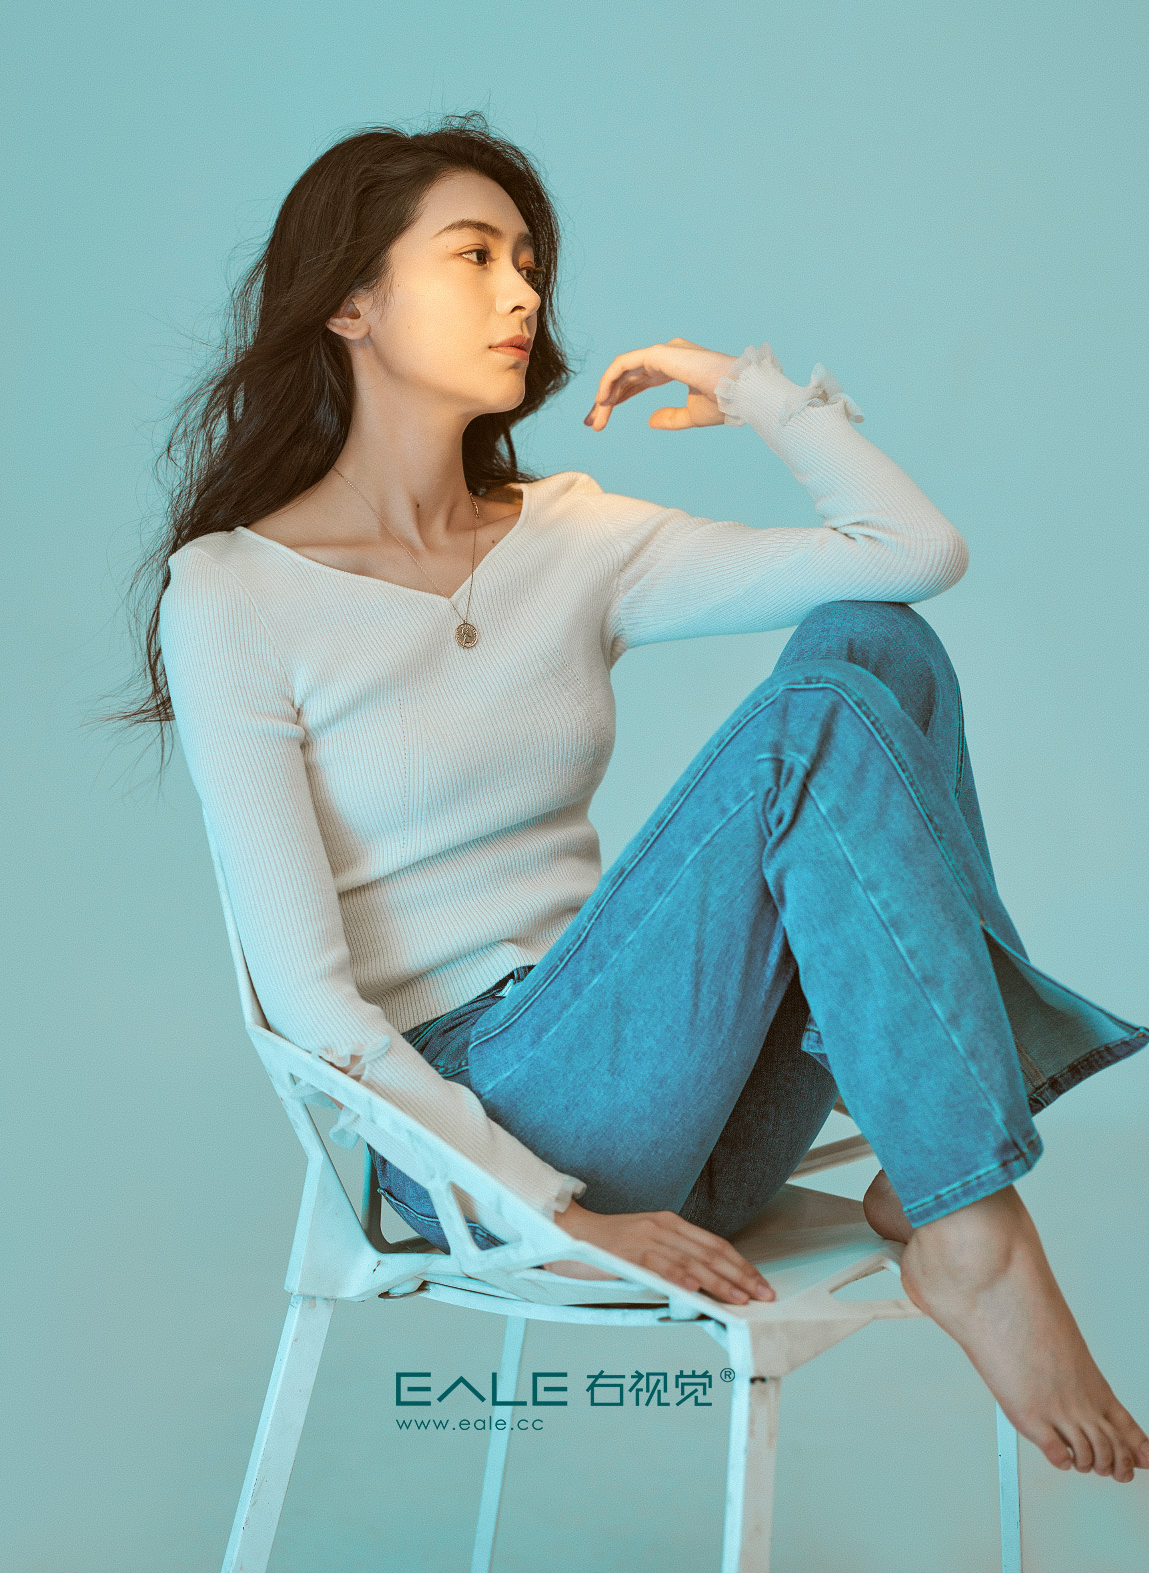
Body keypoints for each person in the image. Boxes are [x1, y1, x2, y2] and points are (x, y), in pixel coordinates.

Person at [123, 114, 1148, 1481]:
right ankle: (969, 1218)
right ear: (350, 303)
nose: (522, 293)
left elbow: (912, 553)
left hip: (681, 1102)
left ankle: (942, 1160)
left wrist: (757, 392)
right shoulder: (235, 593)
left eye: (528, 262)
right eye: (474, 256)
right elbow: (311, 1002)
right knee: (805, 730)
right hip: (487, 1122)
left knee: (874, 646)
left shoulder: (571, 535)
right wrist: (554, 1216)